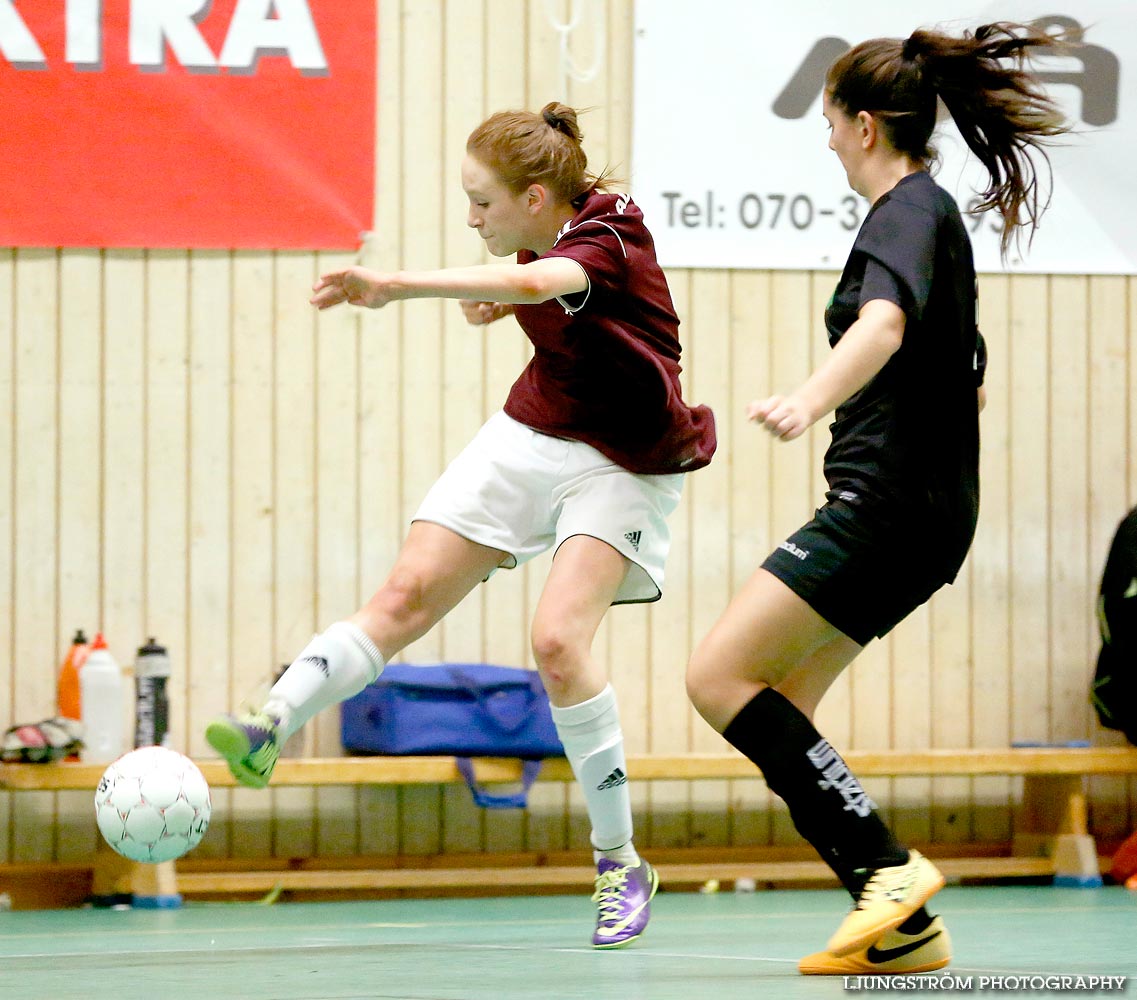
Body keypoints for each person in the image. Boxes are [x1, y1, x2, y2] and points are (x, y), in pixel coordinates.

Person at [206, 102, 716, 948]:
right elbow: (529, 287)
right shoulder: (547, 236)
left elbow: (532, 282)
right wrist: (503, 306)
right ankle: (270, 723)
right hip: (536, 429)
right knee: (405, 592)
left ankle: (620, 862)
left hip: (626, 460)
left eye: (482, 203)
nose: (471, 217)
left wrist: (394, 285)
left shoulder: (610, 239)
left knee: (557, 642)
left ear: (539, 197)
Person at [685, 23, 1070, 976]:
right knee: (782, 701)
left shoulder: (903, 209)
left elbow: (885, 323)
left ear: (863, 126)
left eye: (826, 122)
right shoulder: (937, 217)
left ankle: (886, 872)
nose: (822, 141)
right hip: (929, 514)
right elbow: (968, 382)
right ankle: (898, 924)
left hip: (884, 506)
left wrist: (808, 399)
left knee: (717, 678)